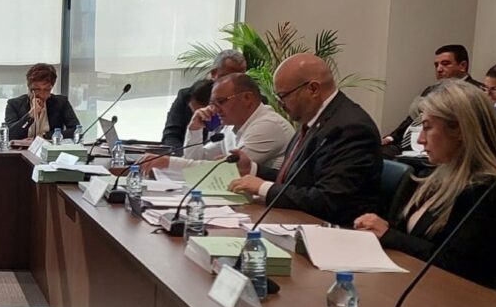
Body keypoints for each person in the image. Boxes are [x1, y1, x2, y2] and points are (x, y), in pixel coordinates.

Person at [353, 81, 496, 288]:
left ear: (459, 129)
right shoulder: (435, 175)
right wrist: (381, 229)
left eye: (427, 128)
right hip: (413, 284)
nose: (420, 140)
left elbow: (458, 266)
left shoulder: (491, 190)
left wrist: (390, 235)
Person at [227, 53, 381, 226]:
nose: (280, 105)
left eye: (283, 96)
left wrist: (263, 188)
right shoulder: (313, 119)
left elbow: (330, 200)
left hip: (335, 231)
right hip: (300, 222)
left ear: (313, 89)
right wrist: (252, 169)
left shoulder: (350, 128)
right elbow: (297, 179)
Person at [139, 73, 294, 176]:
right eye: (212, 104)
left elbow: (225, 171)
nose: (214, 109)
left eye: (220, 102)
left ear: (247, 98)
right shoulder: (231, 126)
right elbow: (199, 158)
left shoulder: (268, 125)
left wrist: (167, 162)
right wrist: (195, 129)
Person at [382, 44, 486, 156]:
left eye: (445, 64)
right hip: (409, 144)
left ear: (462, 66)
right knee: (377, 153)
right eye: (436, 65)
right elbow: (412, 119)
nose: (439, 69)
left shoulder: (476, 92)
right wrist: (391, 137)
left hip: (443, 149)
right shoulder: (431, 90)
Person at [161, 50, 248, 150]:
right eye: (228, 77)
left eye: (240, 77)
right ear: (214, 73)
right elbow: (171, 136)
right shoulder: (189, 96)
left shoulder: (248, 101)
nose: (234, 83)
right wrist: (182, 156)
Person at [4, 63, 77, 141]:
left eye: (46, 90)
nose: (42, 95)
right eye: (37, 89)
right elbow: (9, 135)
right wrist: (30, 115)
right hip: (22, 148)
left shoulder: (61, 103)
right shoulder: (14, 104)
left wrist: (44, 136)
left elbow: (76, 130)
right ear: (29, 87)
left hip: (49, 146)